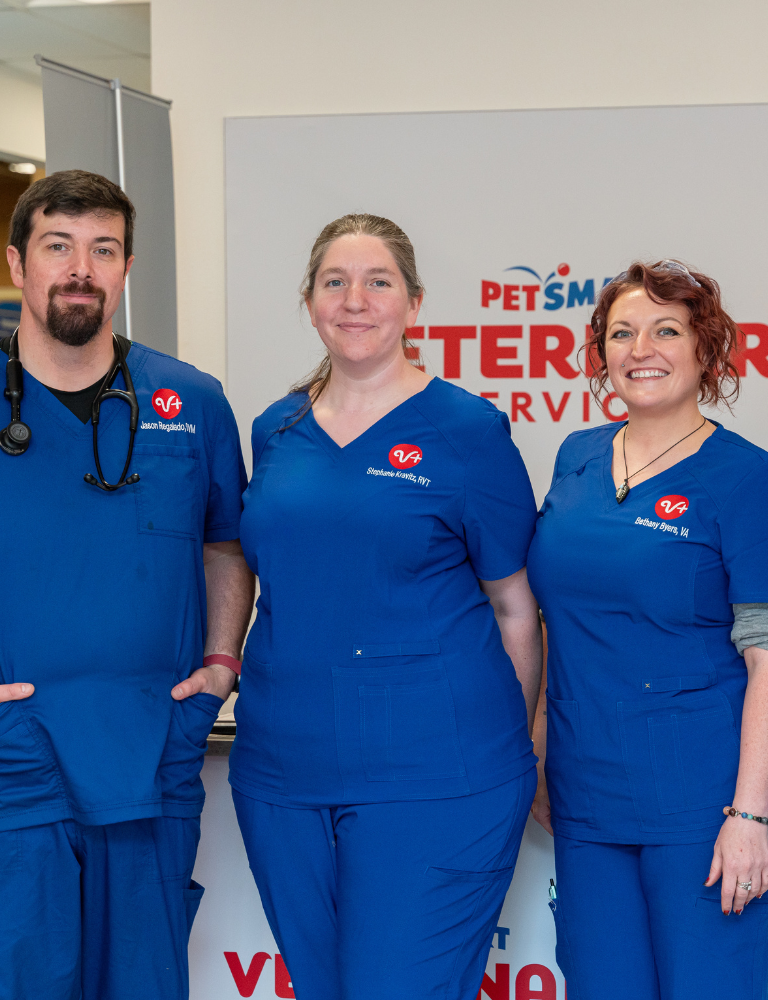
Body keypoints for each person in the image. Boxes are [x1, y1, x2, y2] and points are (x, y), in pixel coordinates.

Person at [0, 170, 253, 1000]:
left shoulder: (191, 403)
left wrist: (219, 664)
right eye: (59, 247)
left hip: (148, 758)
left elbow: (227, 547)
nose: (80, 269)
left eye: (102, 250)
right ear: (19, 262)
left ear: (126, 267)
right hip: (1, 767)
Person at [230, 213, 542, 999]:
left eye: (378, 282)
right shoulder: (278, 428)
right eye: (335, 282)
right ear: (309, 302)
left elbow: (515, 608)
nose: (355, 300)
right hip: (282, 770)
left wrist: (522, 744)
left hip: (437, 771)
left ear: (414, 303)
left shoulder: (467, 431)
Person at [526, 260, 768, 999]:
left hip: (706, 798)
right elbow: (561, 625)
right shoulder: (576, 458)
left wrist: (748, 813)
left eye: (665, 330)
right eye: (622, 332)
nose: (639, 348)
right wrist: (542, 748)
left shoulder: (746, 476)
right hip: (586, 792)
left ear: (705, 351)